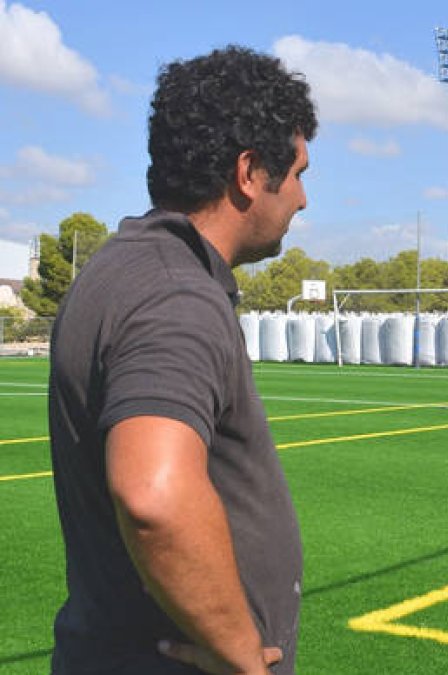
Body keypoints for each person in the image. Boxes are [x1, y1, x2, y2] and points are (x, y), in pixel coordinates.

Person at [47, 46, 317, 674]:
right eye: (299, 172)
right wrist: (245, 658)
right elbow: (153, 496)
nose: (303, 199)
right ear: (249, 172)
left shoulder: (124, 266)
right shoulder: (175, 295)